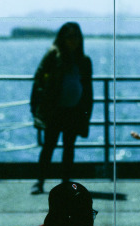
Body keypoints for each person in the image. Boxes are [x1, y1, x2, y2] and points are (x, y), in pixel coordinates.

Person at [30, 22, 94, 195]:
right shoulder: (53, 56)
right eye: (69, 37)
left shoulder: (84, 61)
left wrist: (87, 114)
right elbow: (39, 80)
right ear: (62, 39)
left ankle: (66, 183)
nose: (73, 41)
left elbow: (88, 90)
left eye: (76, 37)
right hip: (55, 110)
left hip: (74, 111)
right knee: (49, 146)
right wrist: (37, 108)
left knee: (69, 148)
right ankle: (40, 181)